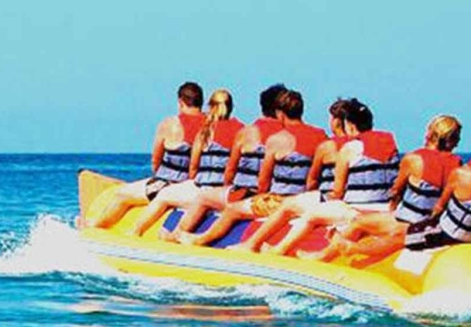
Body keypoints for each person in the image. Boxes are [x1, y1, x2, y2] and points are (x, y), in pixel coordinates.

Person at [241, 98, 400, 255]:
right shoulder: (391, 147)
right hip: (385, 209)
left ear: (349, 125)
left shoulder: (349, 148)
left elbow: (337, 192)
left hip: (356, 210)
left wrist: (321, 197)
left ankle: (274, 249)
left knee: (305, 213)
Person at [304, 114, 463, 264]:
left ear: (429, 134)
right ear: (454, 140)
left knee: (358, 222)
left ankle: (327, 255)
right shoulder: (459, 165)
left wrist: (393, 209)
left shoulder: (414, 159)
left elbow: (396, 191)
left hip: (409, 222)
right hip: (434, 224)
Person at [177, 88, 326, 247]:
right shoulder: (321, 135)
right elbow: (315, 177)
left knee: (230, 209)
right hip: (306, 198)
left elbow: (262, 181)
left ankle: (197, 238)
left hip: (278, 199)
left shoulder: (277, 139)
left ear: (280, 113)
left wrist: (257, 196)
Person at [163, 83, 286, 240]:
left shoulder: (246, 132)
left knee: (203, 198)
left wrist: (228, 187)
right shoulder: (288, 135)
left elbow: (231, 170)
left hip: (251, 194)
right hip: (279, 195)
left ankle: (179, 234)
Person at [86, 82, 208, 229]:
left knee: (122, 195)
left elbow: (155, 160)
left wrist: (157, 179)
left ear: (181, 102)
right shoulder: (211, 124)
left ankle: (94, 227)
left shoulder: (170, 124)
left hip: (168, 183)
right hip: (196, 186)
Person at [126, 88, 240, 236]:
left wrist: (191, 181)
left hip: (205, 189)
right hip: (229, 191)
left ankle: (135, 232)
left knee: (163, 196)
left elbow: (193, 167)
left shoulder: (206, 131)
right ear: (231, 107)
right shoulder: (242, 130)